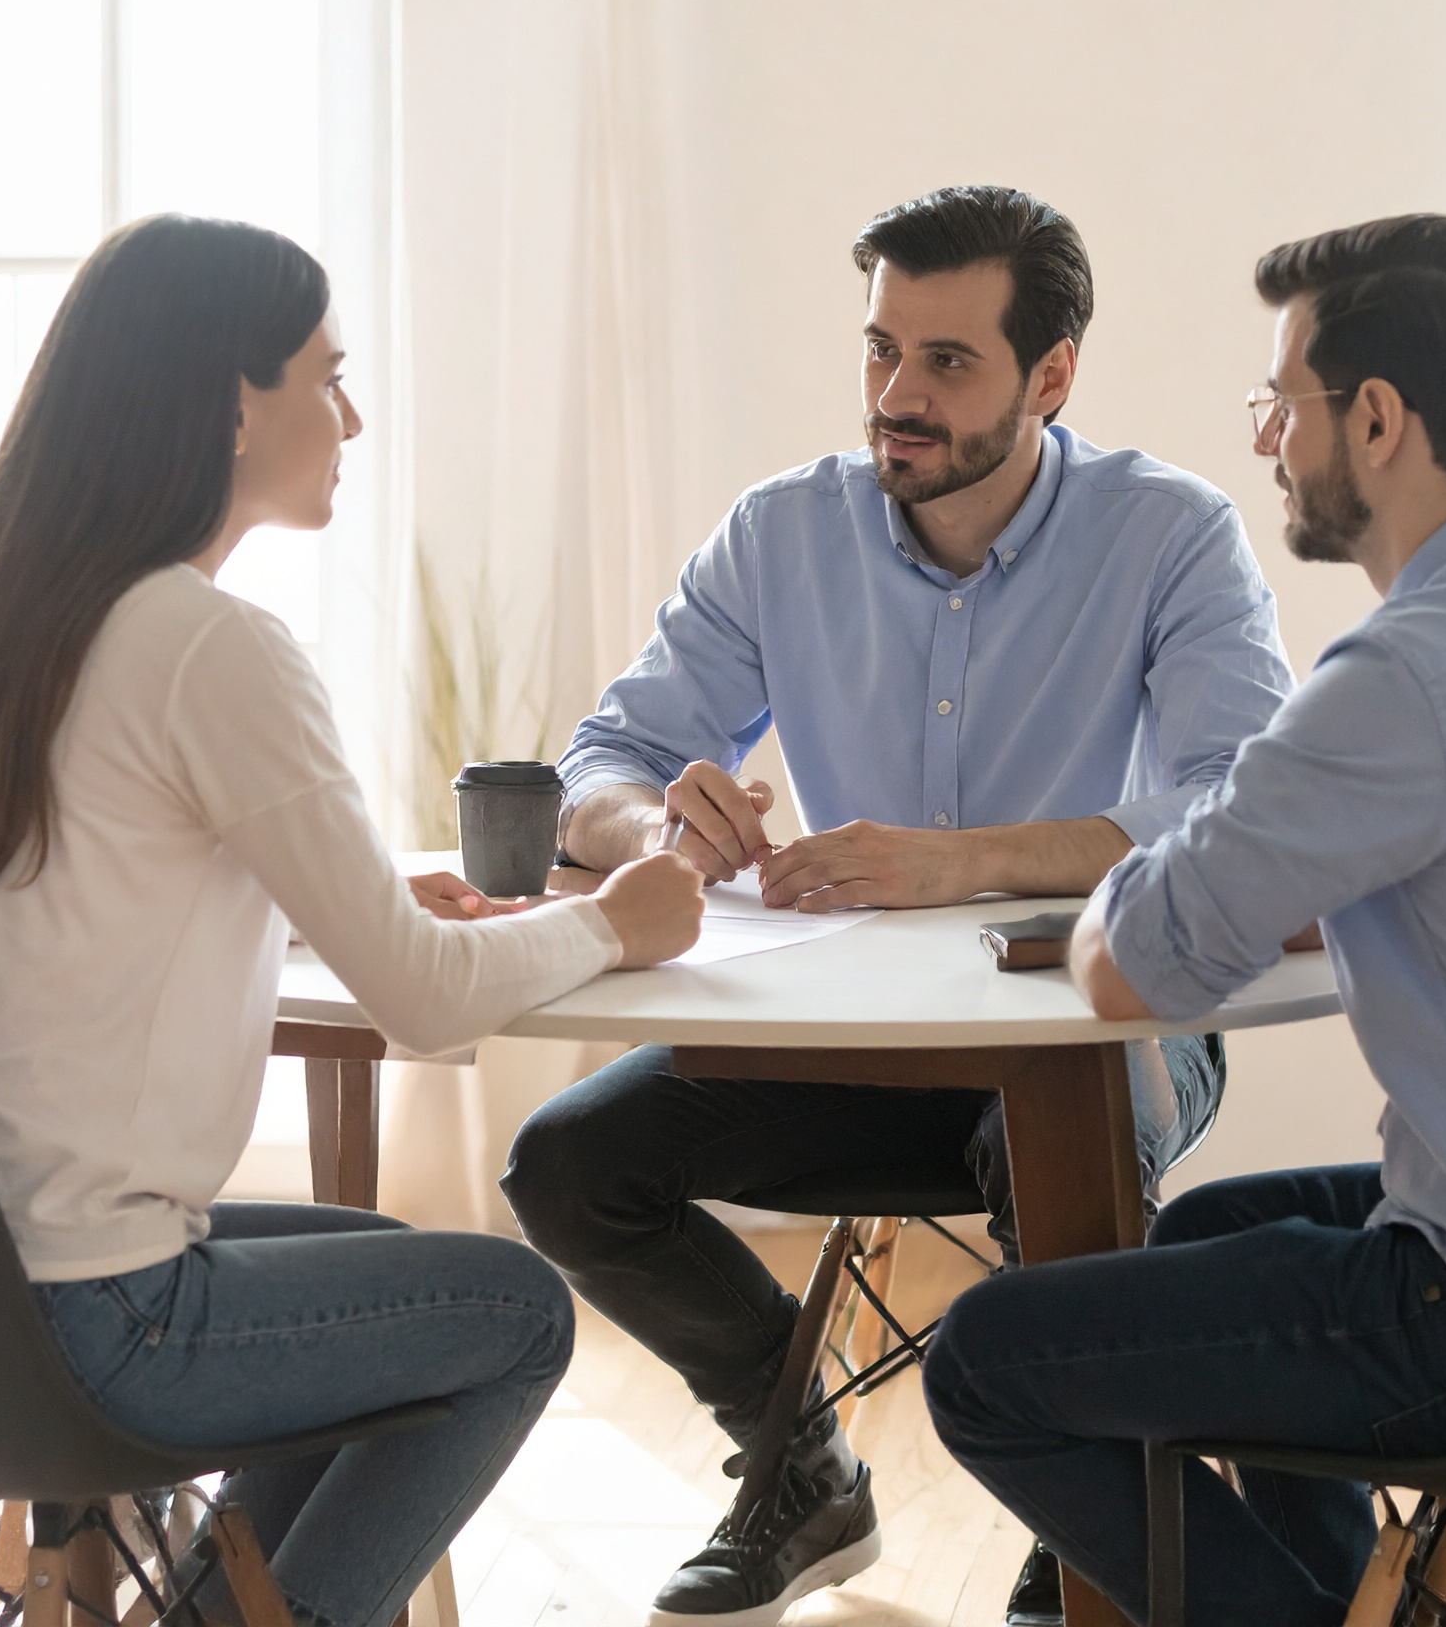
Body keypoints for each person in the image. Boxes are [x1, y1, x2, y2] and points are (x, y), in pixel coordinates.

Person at [0, 214, 706, 1627]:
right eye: (326, 373)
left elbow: (80, 914)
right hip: (92, 1318)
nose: (350, 414)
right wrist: (620, 918)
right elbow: (427, 1004)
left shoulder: (4, 613)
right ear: (232, 403)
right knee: (513, 1315)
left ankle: (207, 1615)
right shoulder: (208, 643)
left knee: (365, 1269)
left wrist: (337, 905)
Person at [920, 213, 1446, 1627]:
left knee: (986, 1364)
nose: (1267, 440)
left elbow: (1128, 966)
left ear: (1375, 420)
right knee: (1196, 1232)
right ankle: (1370, 1601)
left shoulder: (1410, 672)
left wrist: (1184, 825)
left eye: (1282, 403)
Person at [501, 185, 1296, 1627]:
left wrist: (970, 857)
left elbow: (1247, 806)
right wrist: (654, 817)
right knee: (567, 1166)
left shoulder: (1172, 535)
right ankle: (798, 1461)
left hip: (1104, 1030)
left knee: (1054, 1141)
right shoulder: (780, 533)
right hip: (847, 1043)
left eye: (946, 362)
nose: (897, 397)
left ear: (1051, 376)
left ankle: (1086, 1539)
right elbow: (598, 764)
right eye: (880, 351)